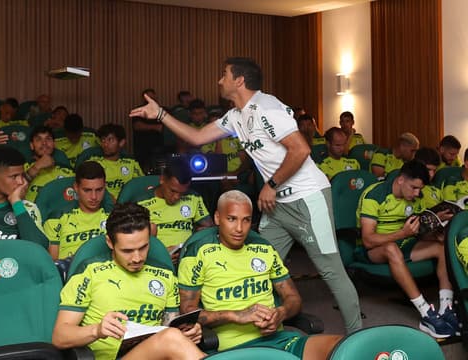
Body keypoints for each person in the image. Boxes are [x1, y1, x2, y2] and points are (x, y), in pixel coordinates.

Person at [130, 57, 362, 334]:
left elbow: (300, 150)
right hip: (277, 204)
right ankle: (261, 323)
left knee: (331, 270)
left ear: (239, 80)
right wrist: (160, 115)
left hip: (307, 197)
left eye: (224, 74)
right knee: (257, 264)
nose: (219, 80)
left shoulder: (268, 107)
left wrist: (271, 184)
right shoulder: (236, 116)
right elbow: (197, 137)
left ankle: (358, 337)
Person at [178, 190, 341, 357]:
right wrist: (235, 315)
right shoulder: (198, 253)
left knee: (341, 348)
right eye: (232, 219)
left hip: (279, 340)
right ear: (218, 218)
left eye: (246, 220)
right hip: (234, 349)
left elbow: (293, 299)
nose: (240, 229)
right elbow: (187, 312)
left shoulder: (264, 249)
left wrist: (281, 313)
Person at [52, 202, 205, 360]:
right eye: (127, 251)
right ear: (110, 243)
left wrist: (189, 332)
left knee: (172, 336)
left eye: (143, 247)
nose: (137, 258)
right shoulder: (89, 272)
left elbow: (171, 326)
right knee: (171, 338)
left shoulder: (165, 274)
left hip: (157, 353)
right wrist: (97, 330)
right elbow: (60, 336)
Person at [356, 160, 459, 337]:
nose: (418, 193)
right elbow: (368, 240)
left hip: (404, 243)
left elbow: (416, 229)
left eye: (420, 189)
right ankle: (426, 312)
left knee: (441, 246)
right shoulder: (374, 194)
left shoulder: (416, 197)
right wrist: (402, 234)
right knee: (391, 248)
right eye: (414, 188)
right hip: (375, 249)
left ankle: (445, 308)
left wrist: (434, 228)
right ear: (401, 180)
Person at [135, 161, 213, 251]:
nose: (177, 197)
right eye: (173, 191)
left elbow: (209, 228)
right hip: (156, 256)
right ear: (162, 179)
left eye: (182, 193)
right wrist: (160, 254)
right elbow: (135, 240)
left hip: (187, 255)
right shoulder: (142, 202)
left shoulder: (193, 197)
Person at [43, 161, 109, 260]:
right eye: (87, 190)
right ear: (76, 188)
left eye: (99, 190)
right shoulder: (56, 219)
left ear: (105, 187)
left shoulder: (114, 218)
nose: (94, 197)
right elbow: (53, 265)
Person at [87, 123, 144, 200]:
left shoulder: (131, 164)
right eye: (103, 140)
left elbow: (142, 187)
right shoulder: (93, 163)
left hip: (127, 205)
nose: (105, 144)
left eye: (110, 140)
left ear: (121, 142)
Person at [24, 125, 74, 202]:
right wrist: (36, 167)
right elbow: (13, 190)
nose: (44, 143)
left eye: (48, 139)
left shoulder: (67, 171)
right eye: (38, 139)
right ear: (31, 145)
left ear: (54, 144)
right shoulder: (23, 169)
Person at [132, 88, 164, 173]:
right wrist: (156, 127)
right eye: (147, 96)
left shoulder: (161, 110)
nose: (150, 99)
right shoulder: (139, 110)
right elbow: (137, 126)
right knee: (141, 170)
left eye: (152, 96)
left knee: (159, 170)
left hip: (159, 145)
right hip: (142, 146)